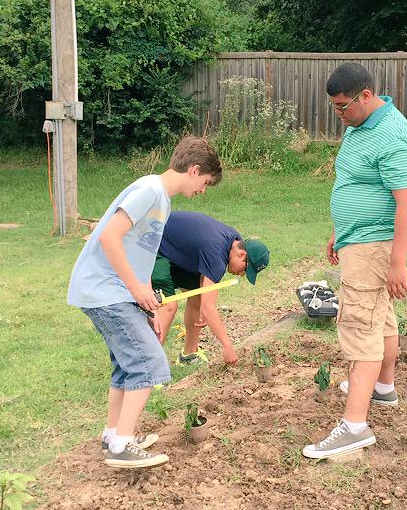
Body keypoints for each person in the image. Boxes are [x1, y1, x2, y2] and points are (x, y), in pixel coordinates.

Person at [67, 137, 222, 469]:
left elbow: (141, 255)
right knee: (149, 363)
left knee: (127, 364)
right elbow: (109, 235)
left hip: (113, 291)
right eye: (205, 183)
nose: (203, 191)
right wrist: (135, 288)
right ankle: (123, 445)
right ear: (194, 171)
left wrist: (147, 303)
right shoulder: (150, 191)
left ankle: (113, 434)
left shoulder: (162, 201)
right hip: (105, 290)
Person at [302, 63, 407, 459]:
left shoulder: (392, 137)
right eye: (334, 106)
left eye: (342, 106)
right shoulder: (361, 126)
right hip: (360, 239)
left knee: (359, 327)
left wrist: (398, 262)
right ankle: (383, 387)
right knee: (380, 318)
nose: (338, 113)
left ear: (366, 96)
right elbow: (357, 183)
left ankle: (354, 425)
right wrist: (342, 227)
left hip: (375, 247)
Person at [149, 211, 270, 365]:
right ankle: (149, 369)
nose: (241, 275)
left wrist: (204, 306)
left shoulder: (233, 240)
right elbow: (209, 308)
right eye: (245, 269)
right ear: (241, 254)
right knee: (168, 306)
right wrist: (227, 346)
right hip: (151, 242)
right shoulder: (217, 253)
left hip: (174, 249)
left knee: (197, 297)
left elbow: (205, 295)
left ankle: (189, 355)